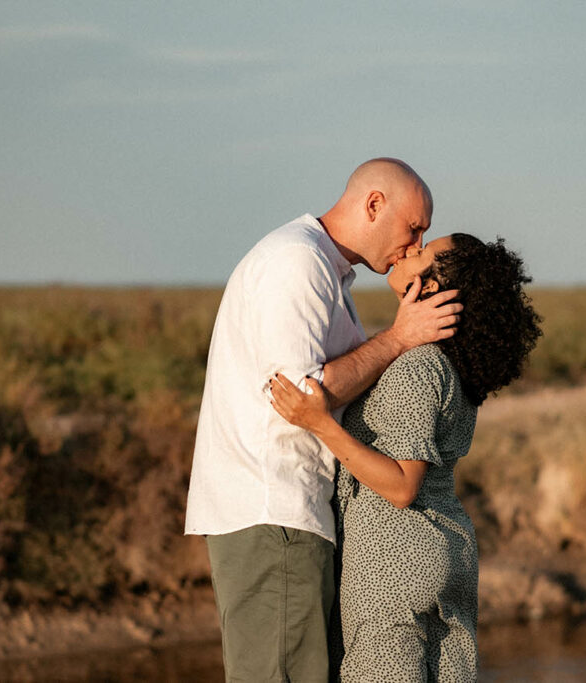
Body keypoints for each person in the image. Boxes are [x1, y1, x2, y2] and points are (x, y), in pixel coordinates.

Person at [184, 159, 463, 682]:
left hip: (288, 516)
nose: (415, 243)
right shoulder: (298, 262)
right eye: (414, 227)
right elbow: (298, 397)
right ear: (374, 204)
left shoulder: (325, 269)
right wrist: (400, 338)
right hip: (275, 514)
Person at [269, 233, 542, 682]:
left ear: (432, 287)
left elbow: (401, 485)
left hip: (393, 561)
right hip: (445, 551)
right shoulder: (454, 369)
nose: (410, 251)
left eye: (423, 254)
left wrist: (319, 423)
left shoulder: (419, 367)